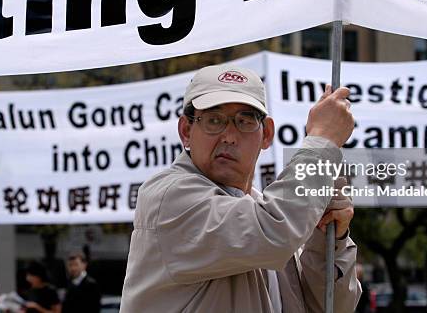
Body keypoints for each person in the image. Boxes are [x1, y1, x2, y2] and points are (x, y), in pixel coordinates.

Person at [120, 64, 361, 312]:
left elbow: (332, 307)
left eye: (245, 121)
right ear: (186, 131)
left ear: (266, 134)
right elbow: (275, 230)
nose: (229, 136)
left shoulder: (267, 210)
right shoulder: (168, 195)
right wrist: (322, 140)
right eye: (214, 120)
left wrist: (328, 238)